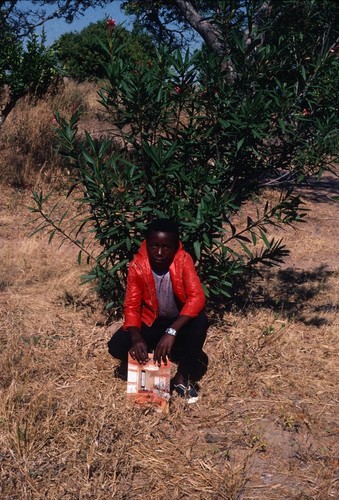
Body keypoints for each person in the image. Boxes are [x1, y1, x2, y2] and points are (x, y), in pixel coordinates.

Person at [108, 218, 209, 403]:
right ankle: (160, 359)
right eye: (154, 246)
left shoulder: (183, 260)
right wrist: (136, 337)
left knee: (200, 321)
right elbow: (131, 306)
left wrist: (172, 331)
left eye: (166, 247)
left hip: (176, 322)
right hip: (151, 321)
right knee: (116, 346)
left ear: (175, 246)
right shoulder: (137, 266)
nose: (160, 252)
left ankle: (182, 379)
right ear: (147, 243)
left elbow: (197, 298)